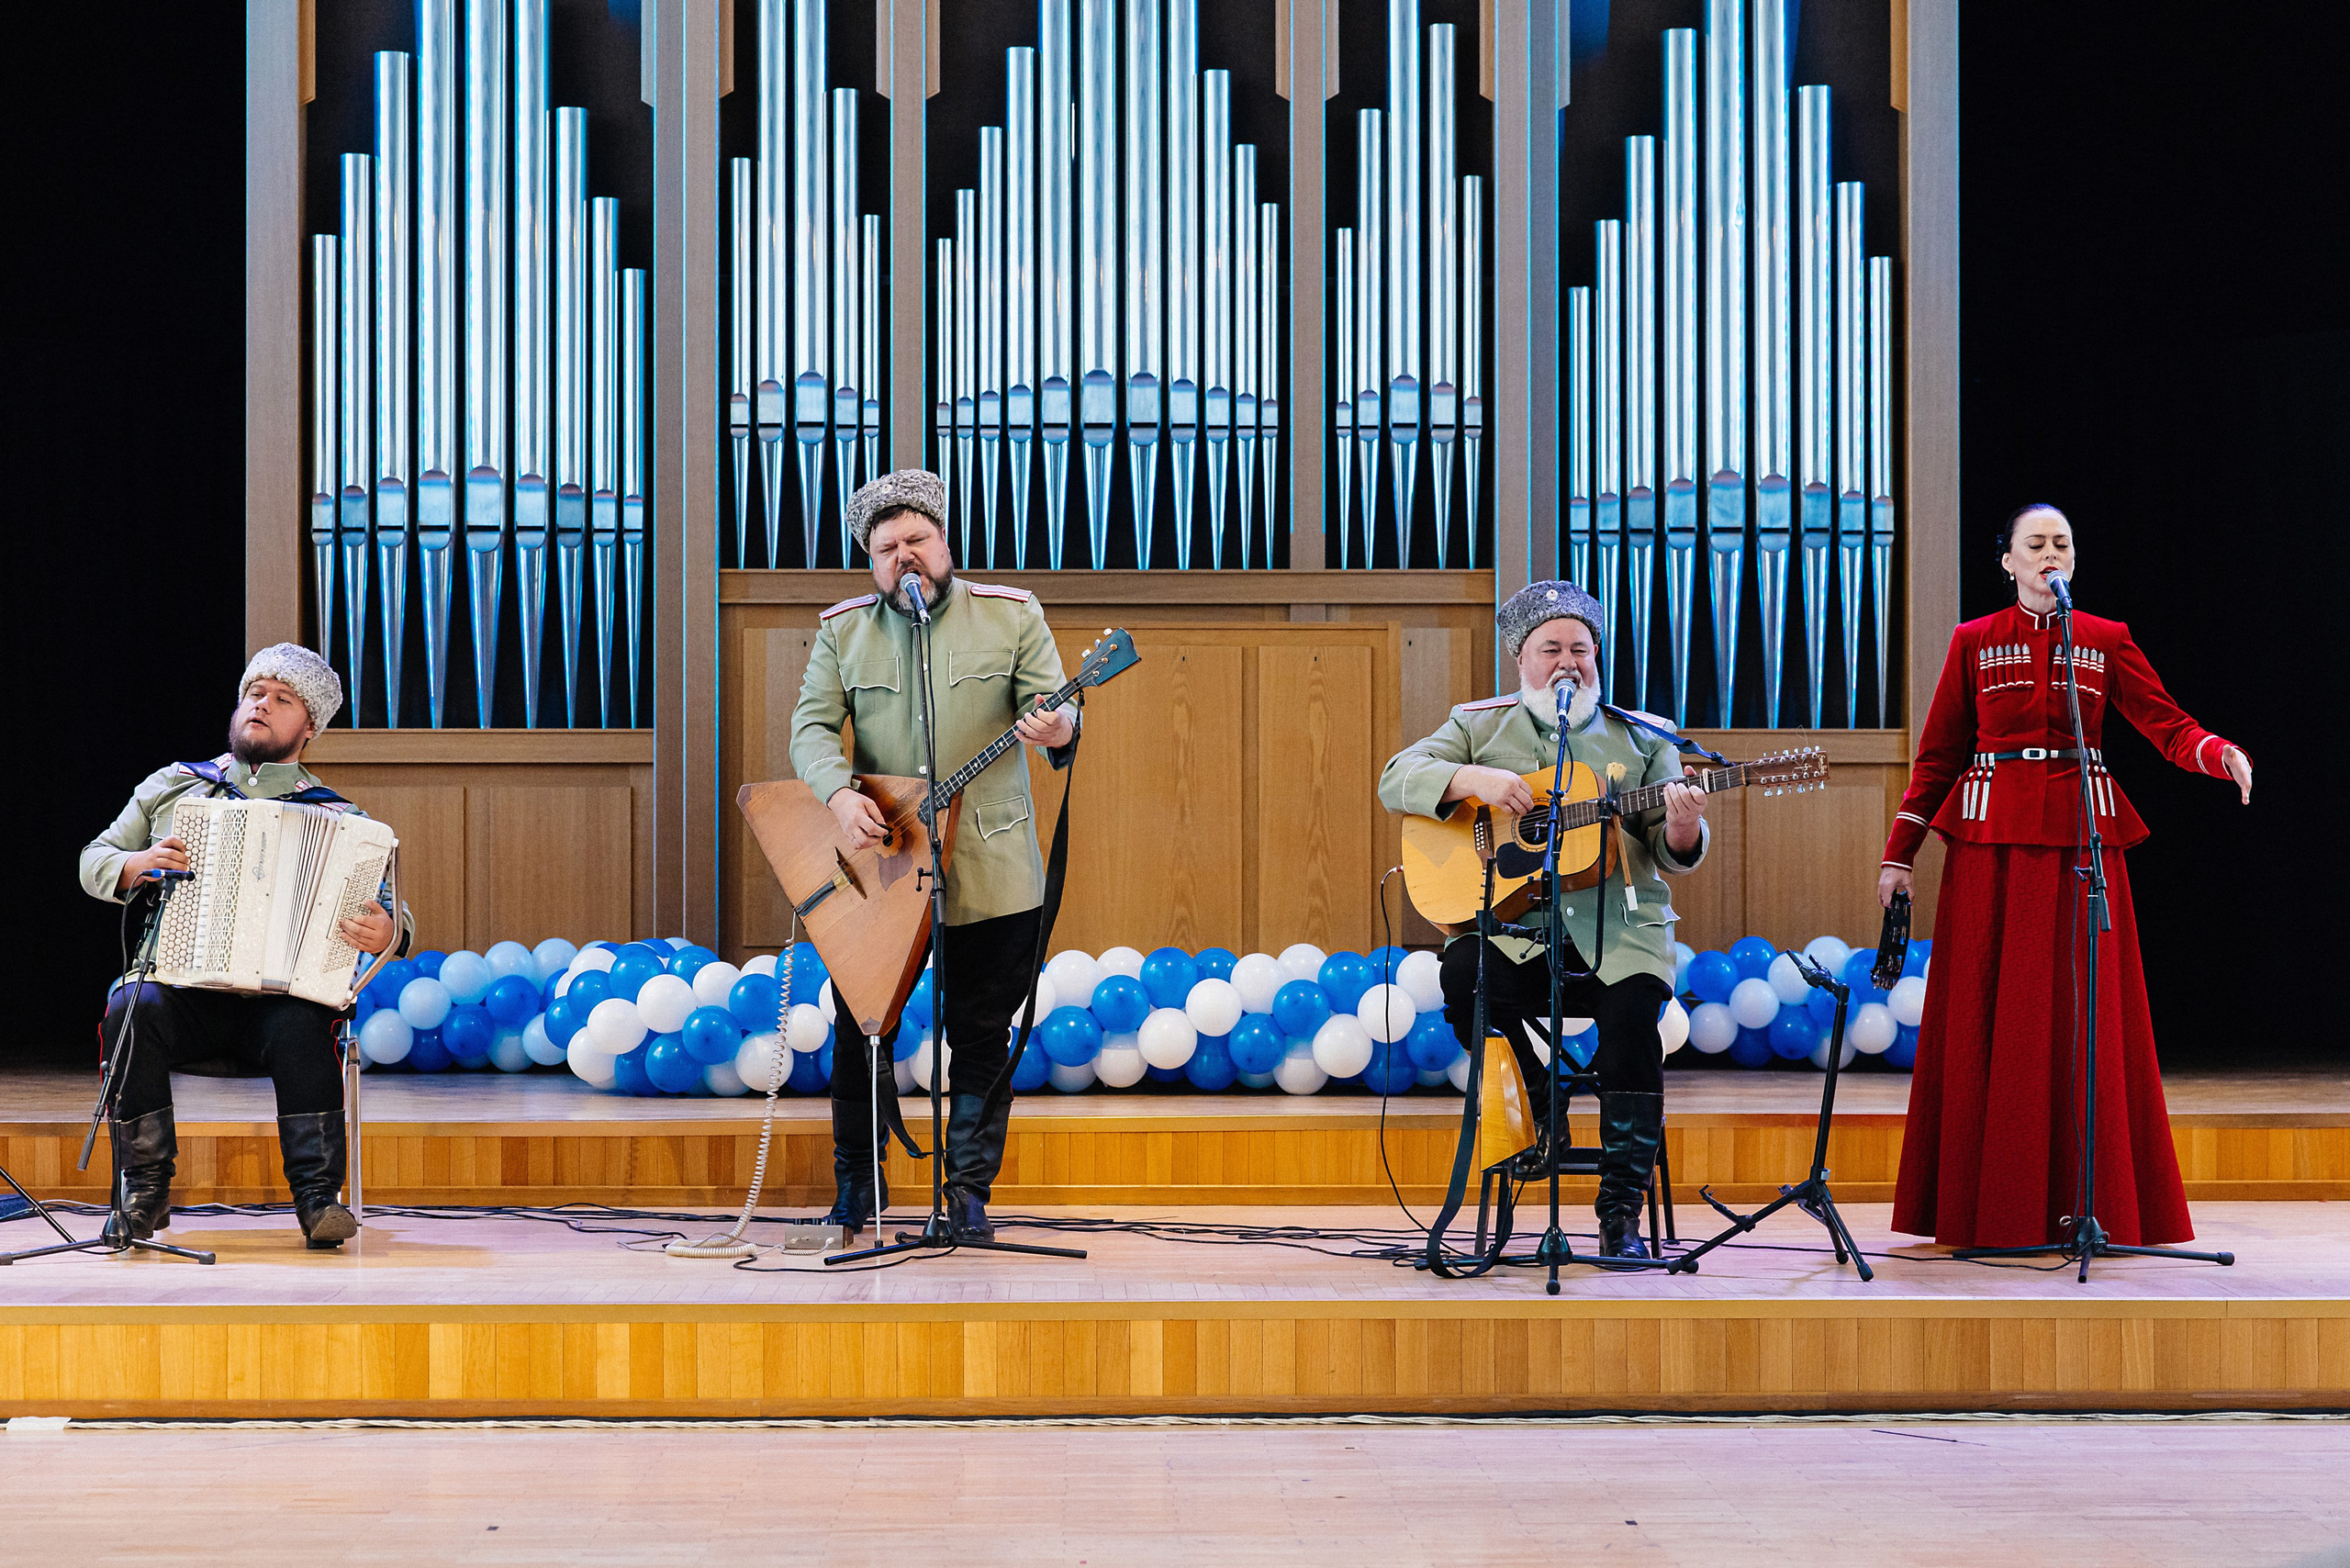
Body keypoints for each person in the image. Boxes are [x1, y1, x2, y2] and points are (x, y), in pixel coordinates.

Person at [1880, 504, 2254, 1249]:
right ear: (2007, 560)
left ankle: (2091, 1200)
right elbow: (1938, 757)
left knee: (2085, 1017)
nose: (2050, 553)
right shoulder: (1973, 641)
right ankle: (1990, 1206)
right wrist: (1901, 853)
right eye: (2035, 544)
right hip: (1991, 845)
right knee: (1996, 1012)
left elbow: (2166, 723)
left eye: (2062, 544)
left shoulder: (2106, 639)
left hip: (2085, 839)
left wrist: (2217, 753)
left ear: (2074, 560)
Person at [789, 470, 1080, 1241]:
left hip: (991, 868)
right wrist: (836, 794)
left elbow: (1054, 706)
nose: (904, 557)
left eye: (917, 540)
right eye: (886, 549)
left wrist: (1059, 729)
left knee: (982, 1033)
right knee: (861, 1026)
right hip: (883, 869)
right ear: (870, 562)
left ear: (946, 542)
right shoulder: (843, 630)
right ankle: (858, 1190)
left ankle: (966, 1199)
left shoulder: (1012, 616)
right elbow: (811, 730)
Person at [1379, 581, 1709, 1259]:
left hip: (1618, 938)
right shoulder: (1478, 724)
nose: (1568, 663)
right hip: (1515, 936)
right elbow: (1395, 777)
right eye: (1551, 648)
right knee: (1463, 972)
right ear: (1521, 658)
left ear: (1598, 657)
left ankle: (1621, 1211)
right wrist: (1474, 782)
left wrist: (1682, 826)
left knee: (1632, 1023)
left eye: (1581, 650)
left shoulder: (1644, 736)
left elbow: (1670, 855)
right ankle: (1541, 1101)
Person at [78, 644, 408, 1249]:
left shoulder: (339, 817)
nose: (262, 703)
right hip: (183, 994)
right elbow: (94, 858)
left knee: (305, 1022)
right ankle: (145, 1193)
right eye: (255, 692)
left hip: (277, 1006)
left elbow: (394, 914)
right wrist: (136, 865)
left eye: (282, 700)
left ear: (308, 728)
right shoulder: (174, 788)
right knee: (131, 1006)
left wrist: (387, 931)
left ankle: (317, 1200)